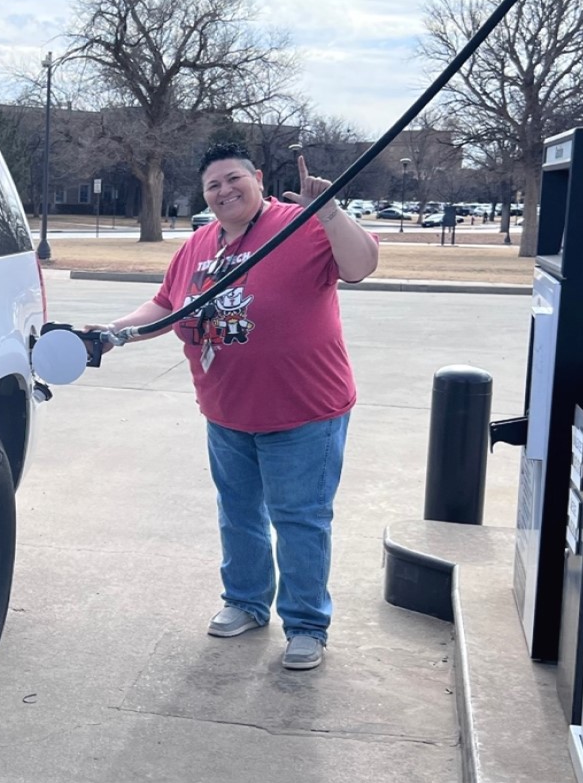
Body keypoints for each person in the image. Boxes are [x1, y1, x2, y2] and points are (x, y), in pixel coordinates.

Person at [86, 142, 379, 670]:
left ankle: (307, 624)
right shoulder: (198, 243)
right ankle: (245, 601)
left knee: (300, 520)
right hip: (226, 411)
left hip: (304, 411)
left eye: (232, 179)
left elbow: (361, 266)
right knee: (239, 514)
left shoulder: (303, 222)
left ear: (258, 178)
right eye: (212, 186)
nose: (223, 191)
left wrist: (330, 209)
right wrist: (113, 332)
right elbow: (165, 304)